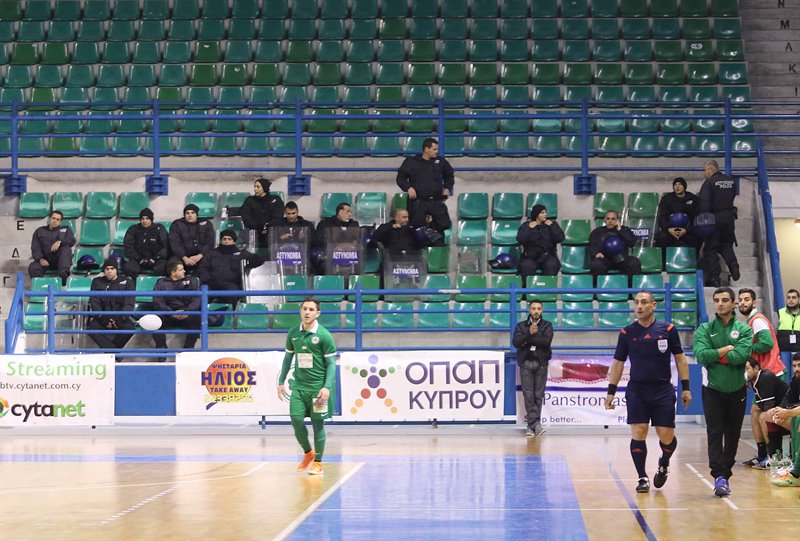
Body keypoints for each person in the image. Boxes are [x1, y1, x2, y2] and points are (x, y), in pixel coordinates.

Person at [604, 291, 692, 493]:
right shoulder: (627, 333)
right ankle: (642, 477)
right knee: (639, 432)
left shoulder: (668, 330)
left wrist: (686, 387)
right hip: (637, 390)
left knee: (666, 436)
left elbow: (680, 358)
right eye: (636, 303)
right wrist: (611, 391)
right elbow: (618, 362)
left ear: (654, 305)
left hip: (662, 390)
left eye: (644, 302)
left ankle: (664, 462)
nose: (639, 306)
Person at [693, 286, 753, 497]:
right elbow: (700, 355)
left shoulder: (744, 330)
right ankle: (719, 476)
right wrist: (726, 349)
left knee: (733, 434)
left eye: (725, 300)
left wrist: (716, 355)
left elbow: (741, 356)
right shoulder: (704, 329)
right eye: (717, 300)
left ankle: (725, 475)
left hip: (737, 390)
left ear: (734, 303)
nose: (720, 303)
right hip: (713, 390)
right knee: (715, 433)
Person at [277, 297, 337, 476]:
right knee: (296, 419)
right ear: (300, 311)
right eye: (305, 309)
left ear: (317, 313)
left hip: (317, 389)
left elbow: (332, 364)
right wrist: (281, 381)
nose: (307, 312)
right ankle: (308, 452)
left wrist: (326, 387)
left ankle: (318, 463)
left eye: (311, 309)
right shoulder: (293, 333)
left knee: (318, 425)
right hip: (299, 387)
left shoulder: (324, 335)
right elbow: (288, 358)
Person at [395, 137, 454, 244]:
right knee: (416, 229)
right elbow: (400, 178)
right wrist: (408, 187)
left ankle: (437, 254)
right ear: (426, 149)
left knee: (441, 228)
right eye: (434, 149)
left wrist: (447, 188)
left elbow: (450, 176)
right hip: (418, 201)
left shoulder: (440, 162)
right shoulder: (411, 162)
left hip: (436, 201)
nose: (437, 152)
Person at [512, 299, 555, 437]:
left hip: (541, 363)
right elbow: (516, 343)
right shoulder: (521, 326)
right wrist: (528, 333)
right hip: (526, 363)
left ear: (542, 310)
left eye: (539, 308)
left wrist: (528, 338)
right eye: (533, 308)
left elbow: (546, 342)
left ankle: (532, 426)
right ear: (529, 310)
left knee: (538, 395)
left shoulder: (547, 325)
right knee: (528, 395)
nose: (536, 311)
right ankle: (535, 425)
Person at [741, 358, 790, 468]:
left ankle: (774, 456)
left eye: (747, 369)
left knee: (764, 416)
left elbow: (768, 407)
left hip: (790, 413)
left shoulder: (765, 378)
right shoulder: (755, 381)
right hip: (780, 412)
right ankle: (762, 454)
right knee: (755, 415)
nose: (744, 372)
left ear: (756, 368)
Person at [697, 160, 739, 287]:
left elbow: (704, 204)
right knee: (726, 245)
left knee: (710, 248)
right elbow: (731, 198)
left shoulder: (709, 183)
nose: (704, 173)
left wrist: (703, 221)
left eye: (705, 170)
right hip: (728, 218)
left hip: (714, 219)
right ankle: (733, 264)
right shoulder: (730, 181)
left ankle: (715, 277)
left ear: (711, 169)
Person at [199, 229, 265, 305]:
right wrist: (207, 279)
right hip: (212, 284)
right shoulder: (212, 253)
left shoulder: (240, 253)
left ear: (234, 241)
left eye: (229, 239)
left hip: (231, 285)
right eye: (224, 239)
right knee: (201, 295)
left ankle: (230, 315)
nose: (226, 241)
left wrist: (250, 259)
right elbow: (202, 267)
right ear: (221, 240)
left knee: (232, 294)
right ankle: (203, 316)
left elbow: (259, 260)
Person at [152, 258, 201, 355]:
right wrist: (170, 312)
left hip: (187, 314)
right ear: (173, 273)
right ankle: (161, 348)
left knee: (197, 317)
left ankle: (188, 349)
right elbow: (158, 301)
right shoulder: (161, 283)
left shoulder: (192, 281)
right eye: (181, 269)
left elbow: (196, 299)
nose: (184, 271)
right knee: (154, 319)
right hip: (168, 314)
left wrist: (187, 311)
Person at [87, 259, 135, 355]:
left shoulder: (127, 282)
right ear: (104, 271)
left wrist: (118, 319)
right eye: (107, 269)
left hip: (121, 317)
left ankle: (111, 353)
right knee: (92, 329)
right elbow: (94, 302)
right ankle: (114, 354)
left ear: (116, 269)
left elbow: (129, 303)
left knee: (130, 328)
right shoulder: (97, 282)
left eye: (112, 268)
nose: (109, 271)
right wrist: (104, 319)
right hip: (102, 318)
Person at [737, 288, 784, 377]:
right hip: (765, 372)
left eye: (746, 299)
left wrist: (746, 348)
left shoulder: (757, 320)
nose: (742, 302)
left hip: (771, 372)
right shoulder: (751, 321)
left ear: (754, 303)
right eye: (740, 300)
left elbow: (767, 344)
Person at [769, 353, 800, 487]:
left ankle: (796, 474)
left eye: (799, 365)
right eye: (794, 366)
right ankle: (793, 463)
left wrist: (787, 412)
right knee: (793, 419)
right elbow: (789, 399)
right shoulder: (796, 380)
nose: (796, 369)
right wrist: (780, 411)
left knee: (798, 419)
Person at [588, 210, 641, 282]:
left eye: (613, 219)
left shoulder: (624, 230)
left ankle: (632, 289)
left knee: (634, 262)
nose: (610, 221)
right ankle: (598, 291)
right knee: (596, 265)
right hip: (605, 259)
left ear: (617, 220)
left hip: (622, 259)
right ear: (604, 220)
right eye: (608, 218)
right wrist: (596, 253)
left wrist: (620, 230)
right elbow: (591, 245)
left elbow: (632, 242)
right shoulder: (597, 232)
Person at [516, 204, 564, 282]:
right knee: (526, 266)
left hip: (548, 256)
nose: (545, 214)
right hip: (530, 256)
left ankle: (547, 292)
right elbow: (520, 239)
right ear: (536, 215)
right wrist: (529, 228)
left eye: (545, 212)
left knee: (552, 265)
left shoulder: (552, 225)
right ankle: (527, 292)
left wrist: (552, 226)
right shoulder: (526, 225)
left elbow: (560, 238)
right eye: (542, 212)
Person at [28, 210, 75, 286]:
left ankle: (63, 277)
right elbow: (35, 247)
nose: (55, 221)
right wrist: (40, 259)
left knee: (65, 248)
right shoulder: (40, 231)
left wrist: (60, 242)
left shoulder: (66, 229)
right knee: (33, 267)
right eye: (53, 218)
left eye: (58, 219)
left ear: (60, 221)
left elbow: (72, 241)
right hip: (45, 260)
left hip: (61, 260)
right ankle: (41, 286)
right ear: (49, 218)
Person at [311, 202, 360, 274]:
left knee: (358, 265)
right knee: (324, 266)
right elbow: (318, 239)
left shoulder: (353, 224)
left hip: (349, 256)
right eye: (348, 211)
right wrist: (334, 246)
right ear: (340, 212)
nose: (350, 214)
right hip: (330, 256)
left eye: (351, 212)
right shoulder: (325, 224)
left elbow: (357, 240)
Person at [168, 204, 215, 276]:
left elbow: (210, 242)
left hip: (201, 255)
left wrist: (200, 255)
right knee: (173, 265)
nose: (190, 215)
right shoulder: (177, 224)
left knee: (209, 264)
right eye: (187, 213)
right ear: (184, 215)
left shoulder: (207, 224)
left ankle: (200, 285)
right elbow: (175, 243)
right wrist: (184, 257)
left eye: (192, 213)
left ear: (197, 214)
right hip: (182, 256)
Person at [122, 207, 169, 279]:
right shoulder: (133, 229)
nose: (144, 221)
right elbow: (128, 246)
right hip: (138, 260)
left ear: (151, 219)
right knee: (128, 267)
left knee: (164, 267)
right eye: (142, 219)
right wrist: (138, 258)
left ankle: (157, 286)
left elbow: (166, 246)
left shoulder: (159, 228)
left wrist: (156, 258)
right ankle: (135, 286)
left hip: (156, 260)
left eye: (147, 218)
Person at [654, 177, 700, 249]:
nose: (677, 187)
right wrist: (668, 229)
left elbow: (696, 217)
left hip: (687, 231)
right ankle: (664, 259)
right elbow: (662, 217)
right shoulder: (666, 198)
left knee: (697, 238)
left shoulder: (693, 198)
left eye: (680, 184)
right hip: (670, 230)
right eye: (675, 185)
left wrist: (686, 230)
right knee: (660, 238)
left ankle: (693, 259)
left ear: (684, 186)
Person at [240, 178, 285, 248]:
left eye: (258, 187)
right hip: (255, 233)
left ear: (264, 188)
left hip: (272, 233)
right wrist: (261, 226)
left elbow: (278, 217)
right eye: (254, 187)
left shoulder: (276, 199)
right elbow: (246, 218)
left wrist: (267, 226)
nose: (255, 189)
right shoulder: (249, 201)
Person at [776, 289, 800, 374]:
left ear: (798, 299)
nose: (791, 300)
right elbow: (775, 330)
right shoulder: (780, 312)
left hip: (798, 350)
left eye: (794, 297)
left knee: (797, 374)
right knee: (785, 374)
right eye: (788, 297)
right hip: (784, 350)